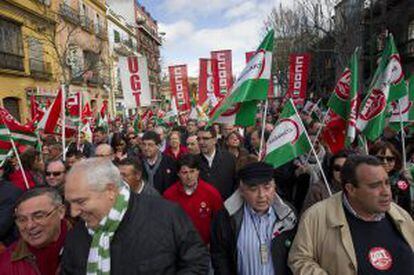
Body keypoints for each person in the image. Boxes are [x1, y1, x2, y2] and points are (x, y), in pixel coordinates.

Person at [62, 158, 209, 274]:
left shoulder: (166, 215)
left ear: (110, 191)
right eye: (70, 203)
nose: (74, 212)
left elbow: (196, 262)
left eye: (80, 201)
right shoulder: (76, 236)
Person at [288, 155, 414, 275]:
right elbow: (300, 260)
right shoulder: (316, 217)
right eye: (375, 186)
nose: (386, 192)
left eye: (387, 183)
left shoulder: (400, 214)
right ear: (351, 189)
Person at [210, 161, 297, 274]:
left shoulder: (288, 215)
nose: (261, 195)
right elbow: (220, 256)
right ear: (242, 190)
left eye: (267, 187)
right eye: (253, 189)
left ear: (274, 187)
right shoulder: (226, 217)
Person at [0, 187, 68, 275]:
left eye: (38, 216)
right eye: (22, 219)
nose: (30, 226)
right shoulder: (6, 264)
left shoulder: (85, 246)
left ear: (60, 212)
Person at [164, 154, 223, 245]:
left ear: (198, 172)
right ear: (178, 174)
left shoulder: (211, 193)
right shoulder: (169, 195)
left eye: (192, 171)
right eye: (185, 172)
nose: (189, 176)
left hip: (205, 248)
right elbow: (166, 225)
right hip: (179, 248)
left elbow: (220, 224)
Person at [369, 141, 412, 215]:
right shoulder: (365, 178)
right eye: (380, 158)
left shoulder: (401, 180)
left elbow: (406, 205)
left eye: (390, 159)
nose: (385, 162)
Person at [198, 126, 237, 200]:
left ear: (214, 140)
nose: (201, 142)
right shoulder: (194, 161)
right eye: (199, 139)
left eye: (205, 138)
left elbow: (235, 184)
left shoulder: (229, 159)